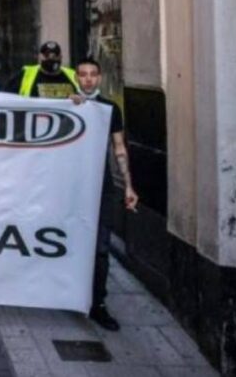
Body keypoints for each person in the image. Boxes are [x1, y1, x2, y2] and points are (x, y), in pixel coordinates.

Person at [70, 58, 139, 332]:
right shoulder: (67, 105)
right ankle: (71, 295)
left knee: (100, 249)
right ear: (76, 78)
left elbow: (119, 148)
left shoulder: (111, 109)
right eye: (83, 75)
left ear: (99, 78)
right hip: (70, 187)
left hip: (102, 188)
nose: (87, 79)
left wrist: (129, 185)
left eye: (92, 75)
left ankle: (98, 304)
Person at [7, 41, 79, 99]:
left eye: (55, 56)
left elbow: (86, 96)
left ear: (61, 57)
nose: (51, 59)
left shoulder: (73, 75)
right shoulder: (26, 74)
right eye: (46, 56)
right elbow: (7, 96)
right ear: (40, 57)